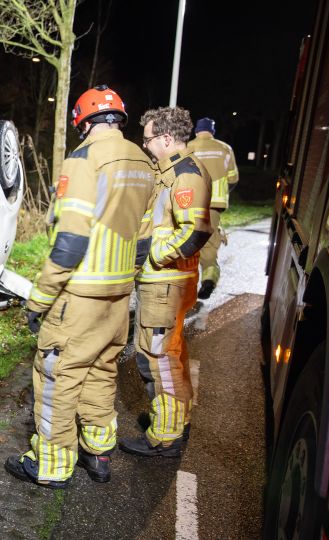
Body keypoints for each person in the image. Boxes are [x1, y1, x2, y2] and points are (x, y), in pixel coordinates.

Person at [5, 85, 156, 488]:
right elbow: (145, 237)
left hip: (80, 295)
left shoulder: (84, 159)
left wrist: (39, 299)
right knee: (103, 371)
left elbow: (70, 241)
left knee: (57, 374)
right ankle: (99, 451)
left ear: (83, 122)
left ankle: (52, 464)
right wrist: (127, 281)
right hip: (119, 296)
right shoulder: (145, 162)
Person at [120, 107, 212, 457]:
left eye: (148, 139)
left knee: (155, 357)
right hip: (167, 280)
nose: (145, 145)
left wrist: (154, 254)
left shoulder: (184, 174)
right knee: (170, 353)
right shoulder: (170, 171)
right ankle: (176, 419)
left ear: (167, 138)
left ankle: (166, 436)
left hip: (166, 281)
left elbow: (195, 232)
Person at [186, 117, 239, 299]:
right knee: (209, 245)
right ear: (212, 131)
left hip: (190, 204)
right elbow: (233, 178)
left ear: (197, 131)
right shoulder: (225, 149)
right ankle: (209, 280)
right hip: (214, 206)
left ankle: (184, 288)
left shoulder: (188, 147)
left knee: (187, 243)